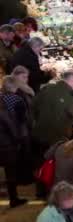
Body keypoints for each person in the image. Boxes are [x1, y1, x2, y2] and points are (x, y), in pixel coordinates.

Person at [0, 76, 29, 208]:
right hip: (7, 142)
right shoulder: (17, 100)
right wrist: (19, 139)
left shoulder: (2, 98)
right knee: (10, 170)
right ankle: (13, 198)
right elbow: (17, 122)